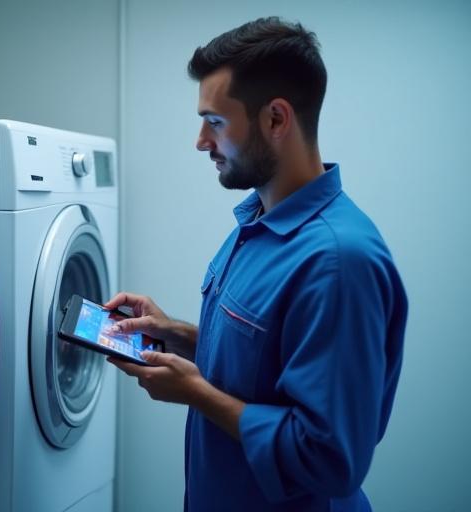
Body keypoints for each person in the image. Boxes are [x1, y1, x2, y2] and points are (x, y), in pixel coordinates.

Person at [106, 17, 407, 512]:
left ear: (275, 119)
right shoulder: (257, 222)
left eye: (216, 122)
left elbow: (330, 459)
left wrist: (197, 393)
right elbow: (273, 363)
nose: (201, 141)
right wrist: (182, 335)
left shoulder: (337, 262)